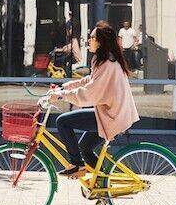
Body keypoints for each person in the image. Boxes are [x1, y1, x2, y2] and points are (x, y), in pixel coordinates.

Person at [48, 21, 140, 179]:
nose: (89, 40)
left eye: (92, 38)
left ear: (100, 42)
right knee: (85, 147)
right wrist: (66, 86)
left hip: (111, 117)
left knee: (62, 122)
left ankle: (77, 164)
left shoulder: (107, 64)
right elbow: (90, 81)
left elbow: (89, 94)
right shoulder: (105, 61)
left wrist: (62, 95)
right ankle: (103, 185)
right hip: (110, 113)